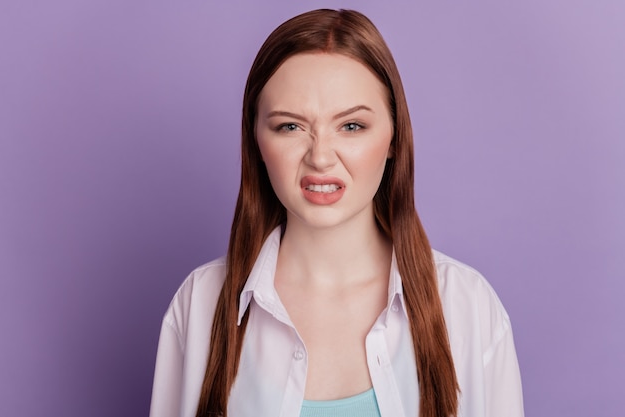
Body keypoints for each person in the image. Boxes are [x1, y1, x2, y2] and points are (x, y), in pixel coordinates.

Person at [149, 8, 524, 417]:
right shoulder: (200, 303)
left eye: (351, 126)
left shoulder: (467, 306)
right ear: (256, 141)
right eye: (290, 127)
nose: (321, 157)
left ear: (394, 137)